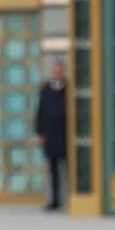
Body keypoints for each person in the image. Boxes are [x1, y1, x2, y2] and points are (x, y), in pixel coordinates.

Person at [35, 59, 67, 210]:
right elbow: (40, 112)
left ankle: (70, 199)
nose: (57, 72)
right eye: (55, 70)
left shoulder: (69, 89)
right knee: (53, 170)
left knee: (69, 169)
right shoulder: (46, 89)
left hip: (66, 135)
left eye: (59, 70)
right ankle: (54, 201)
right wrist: (40, 132)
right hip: (51, 135)